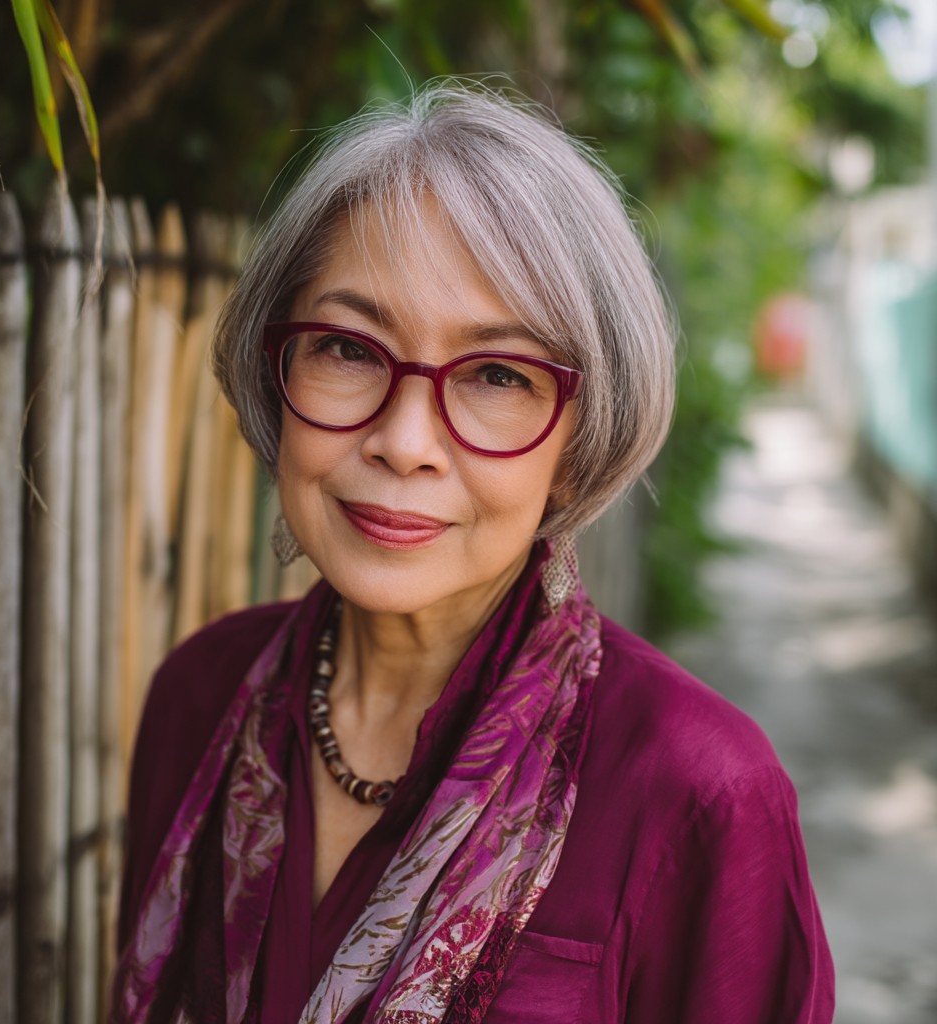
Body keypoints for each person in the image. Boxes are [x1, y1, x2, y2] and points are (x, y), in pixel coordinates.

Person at [112, 82, 834, 1023]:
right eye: (349, 349)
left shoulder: (697, 791)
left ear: (578, 442)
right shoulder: (199, 697)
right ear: (272, 368)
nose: (404, 442)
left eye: (497, 374)